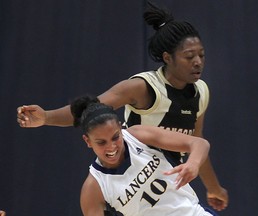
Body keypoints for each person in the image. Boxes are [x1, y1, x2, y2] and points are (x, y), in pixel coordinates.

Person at [17, 1, 228, 212]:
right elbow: (89, 109)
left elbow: (197, 143)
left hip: (167, 181)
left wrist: (213, 188)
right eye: (190, 56)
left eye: (201, 55)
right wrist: (46, 117)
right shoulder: (143, 88)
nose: (198, 62)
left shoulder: (200, 92)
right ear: (167, 58)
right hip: (132, 168)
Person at [71, 96, 212, 216]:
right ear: (88, 141)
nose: (111, 147)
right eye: (101, 142)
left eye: (115, 137)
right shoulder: (93, 188)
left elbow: (199, 144)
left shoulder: (137, 136)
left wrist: (193, 163)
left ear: (120, 128)